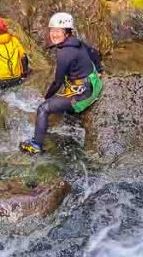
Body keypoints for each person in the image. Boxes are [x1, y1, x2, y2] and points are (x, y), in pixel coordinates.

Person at [20, 12, 103, 154]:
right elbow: (93, 52)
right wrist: (99, 69)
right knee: (62, 94)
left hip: (84, 95)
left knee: (43, 108)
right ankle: (70, 117)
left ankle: (36, 145)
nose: (53, 34)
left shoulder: (64, 53)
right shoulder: (76, 42)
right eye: (52, 30)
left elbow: (57, 82)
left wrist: (46, 98)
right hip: (94, 82)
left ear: (66, 33)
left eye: (57, 31)